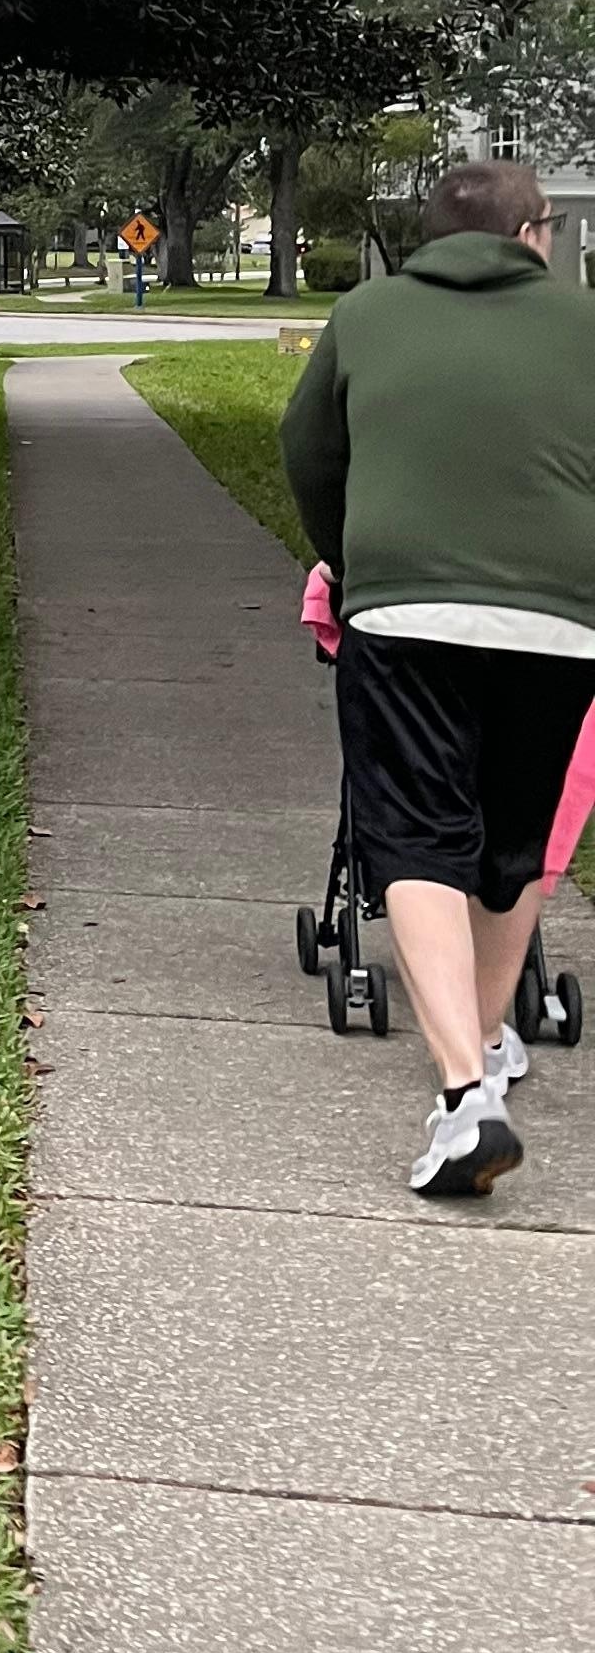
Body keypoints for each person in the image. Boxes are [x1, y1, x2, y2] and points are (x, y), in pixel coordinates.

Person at [282, 159, 595, 1198]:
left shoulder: (367, 314)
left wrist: (351, 558)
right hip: (560, 621)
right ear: (534, 234)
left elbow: (307, 447)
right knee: (513, 837)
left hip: (404, 611)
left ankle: (466, 1092)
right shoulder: (583, 323)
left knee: (414, 832)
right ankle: (492, 1043)